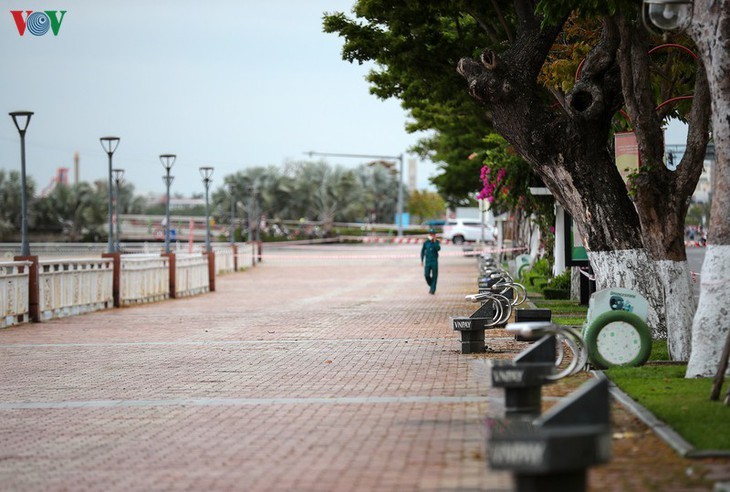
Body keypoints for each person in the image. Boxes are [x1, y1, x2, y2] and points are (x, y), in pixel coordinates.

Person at [420, 229, 441, 295]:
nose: (431, 235)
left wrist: (434, 241)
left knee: (435, 276)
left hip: (434, 261)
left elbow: (438, 249)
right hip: (428, 261)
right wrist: (422, 260)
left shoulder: (437, 242)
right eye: (430, 234)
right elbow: (422, 251)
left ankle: (432, 289)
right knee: (426, 275)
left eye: (433, 234)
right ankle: (432, 285)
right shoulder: (426, 242)